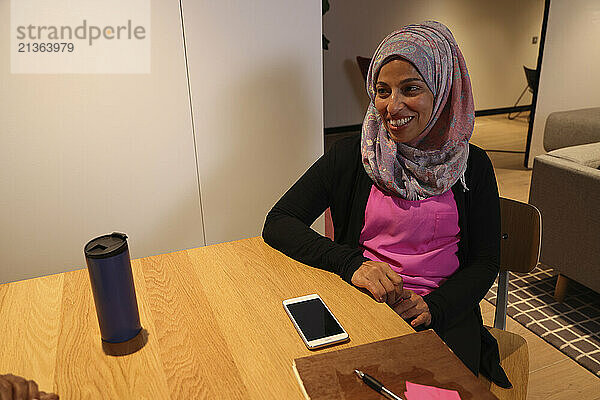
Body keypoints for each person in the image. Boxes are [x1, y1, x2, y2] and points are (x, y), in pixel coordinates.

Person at [262, 21, 511, 387]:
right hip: (363, 305)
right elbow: (279, 221)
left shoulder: (473, 166)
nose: (392, 107)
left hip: (442, 313)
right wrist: (352, 264)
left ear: (443, 91)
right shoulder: (356, 155)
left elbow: (487, 260)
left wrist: (434, 306)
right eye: (382, 91)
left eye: (410, 89)